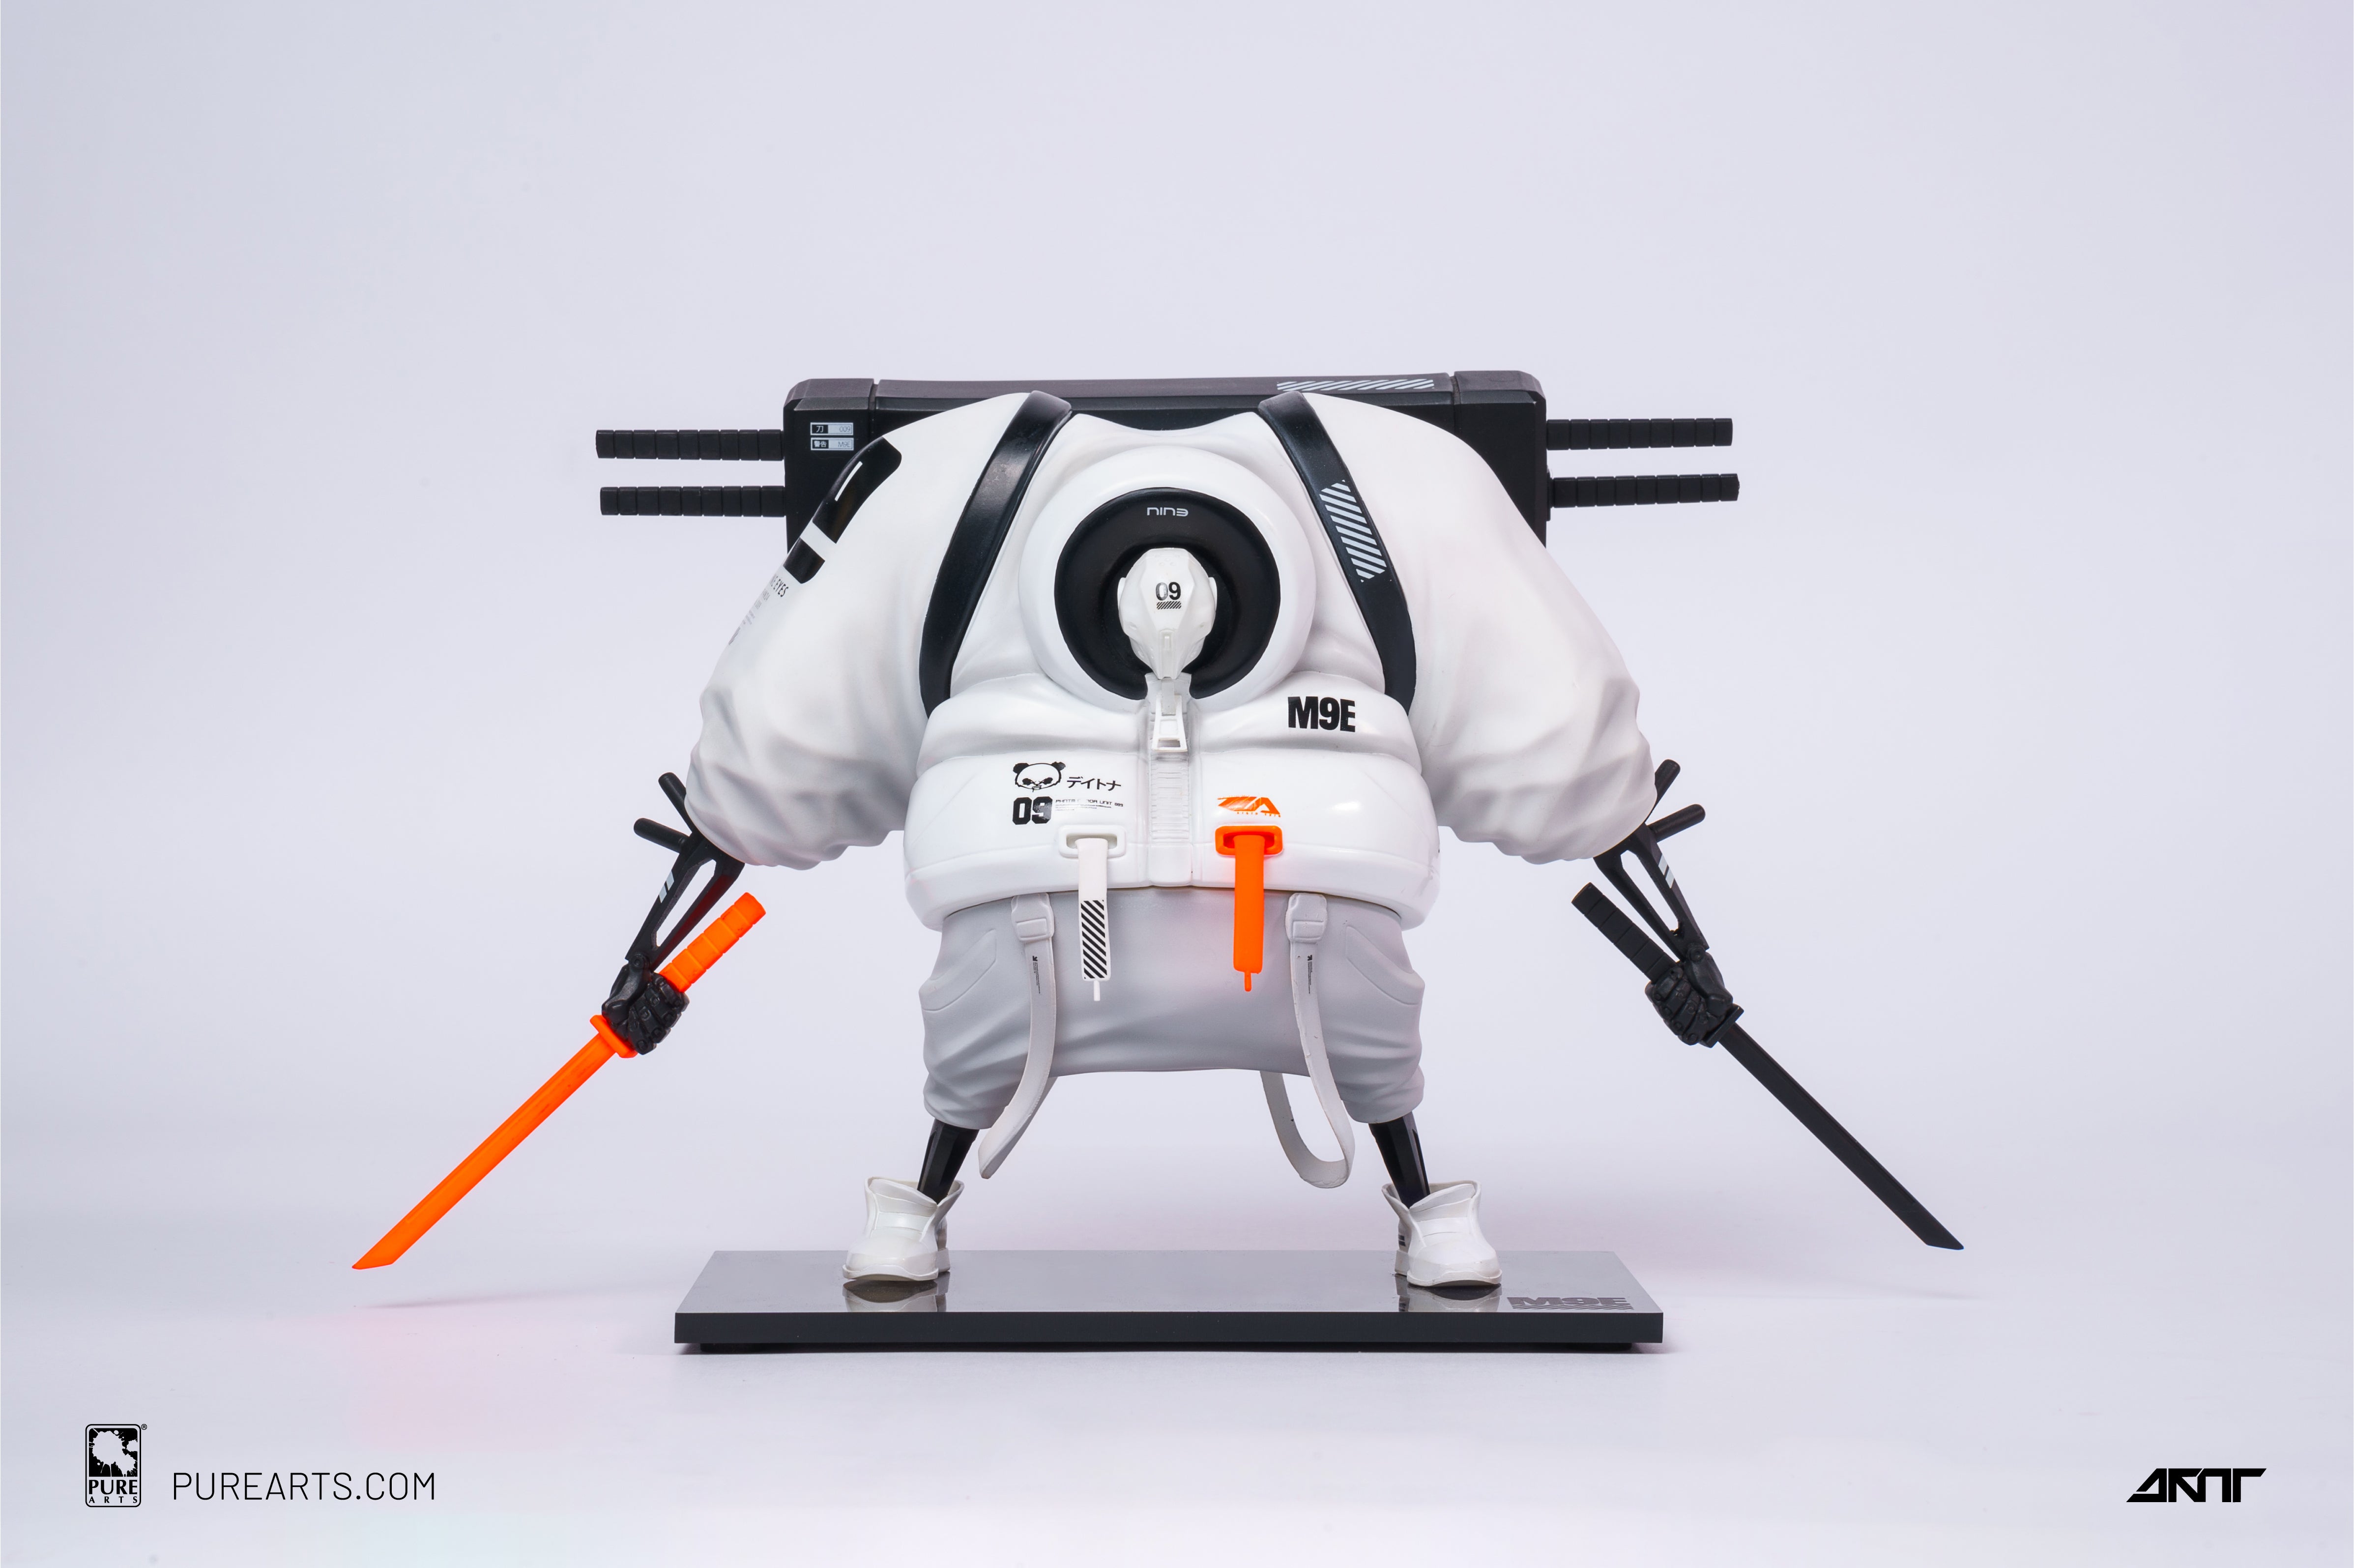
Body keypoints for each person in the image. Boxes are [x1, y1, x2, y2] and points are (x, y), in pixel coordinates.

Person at [608, 389, 1656, 1288]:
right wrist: (671, 928)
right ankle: (921, 1202)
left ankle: (1423, 1202)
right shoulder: (1400, 486)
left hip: (1274, 926)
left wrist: (719, 831)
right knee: (987, 1056)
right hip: (1070, 918)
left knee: (1366, 1054)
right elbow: (1563, 748)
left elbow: (775, 744)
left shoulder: (945, 486)